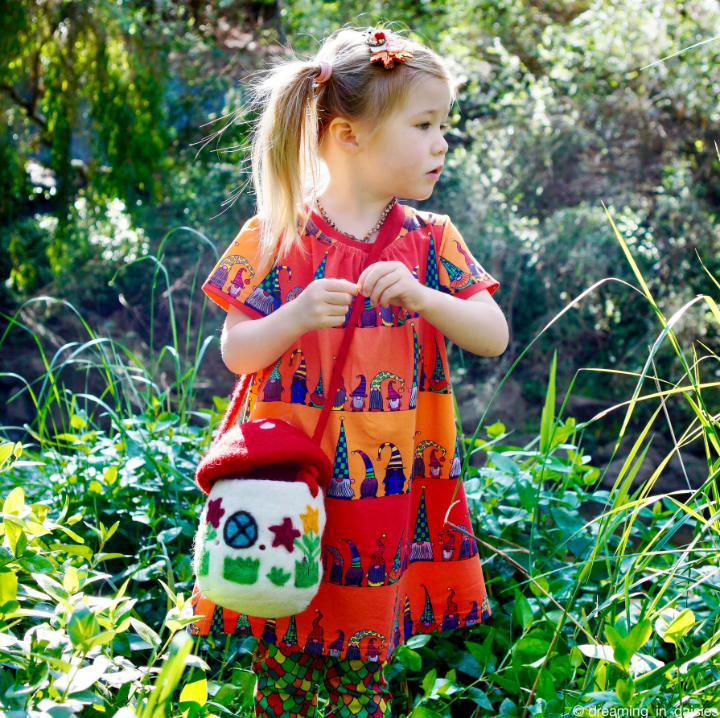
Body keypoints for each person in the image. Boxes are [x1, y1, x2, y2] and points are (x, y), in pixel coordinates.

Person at [189, 24, 509, 718]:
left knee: (363, 671)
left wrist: (427, 298)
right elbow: (236, 351)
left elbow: (493, 335)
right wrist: (296, 314)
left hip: (383, 508)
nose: (441, 142)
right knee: (289, 663)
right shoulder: (279, 235)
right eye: (424, 124)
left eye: (443, 125)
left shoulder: (433, 240)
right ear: (348, 135)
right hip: (287, 495)